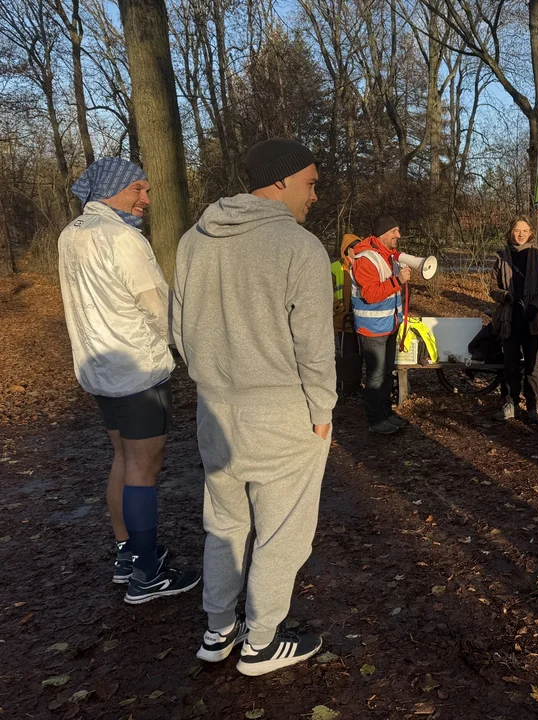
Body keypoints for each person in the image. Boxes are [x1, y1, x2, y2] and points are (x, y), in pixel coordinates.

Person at [173, 138, 336, 676]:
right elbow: (314, 347)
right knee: (282, 530)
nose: (315, 194)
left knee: (223, 522)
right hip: (282, 413)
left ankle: (218, 629)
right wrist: (323, 412)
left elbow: (178, 330)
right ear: (282, 180)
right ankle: (262, 641)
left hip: (215, 411)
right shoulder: (300, 248)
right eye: (311, 183)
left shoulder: (194, 240)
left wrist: (215, 376)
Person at [58, 157, 199, 603]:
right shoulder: (123, 239)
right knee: (144, 466)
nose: (146, 199)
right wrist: (188, 349)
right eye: (138, 189)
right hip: (138, 370)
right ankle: (147, 574)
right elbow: (158, 306)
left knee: (122, 458)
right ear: (111, 190)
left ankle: (127, 555)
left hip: (98, 369)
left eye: (148, 190)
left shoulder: (71, 235)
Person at [489, 210, 538, 423]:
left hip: (532, 319)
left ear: (531, 232)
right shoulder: (501, 256)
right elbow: (492, 288)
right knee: (510, 365)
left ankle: (532, 407)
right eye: (517, 230)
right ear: (511, 232)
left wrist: (535, 306)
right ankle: (511, 403)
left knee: (532, 368)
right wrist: (505, 295)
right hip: (509, 318)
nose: (520, 234)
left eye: (525, 231)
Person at [351, 216, 410, 434]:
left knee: (386, 373)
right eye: (394, 231)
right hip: (372, 328)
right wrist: (397, 281)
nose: (398, 235)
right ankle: (375, 420)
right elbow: (371, 294)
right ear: (382, 233)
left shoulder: (389, 257)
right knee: (375, 376)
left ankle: (386, 413)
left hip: (389, 324)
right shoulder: (365, 259)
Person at [332, 234, 363, 398]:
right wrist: (338, 309)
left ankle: (356, 384)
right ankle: (346, 386)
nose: (357, 251)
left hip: (360, 318)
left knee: (358, 354)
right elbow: (327, 292)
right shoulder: (335, 267)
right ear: (347, 250)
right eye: (354, 248)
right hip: (343, 320)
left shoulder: (360, 266)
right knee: (346, 353)